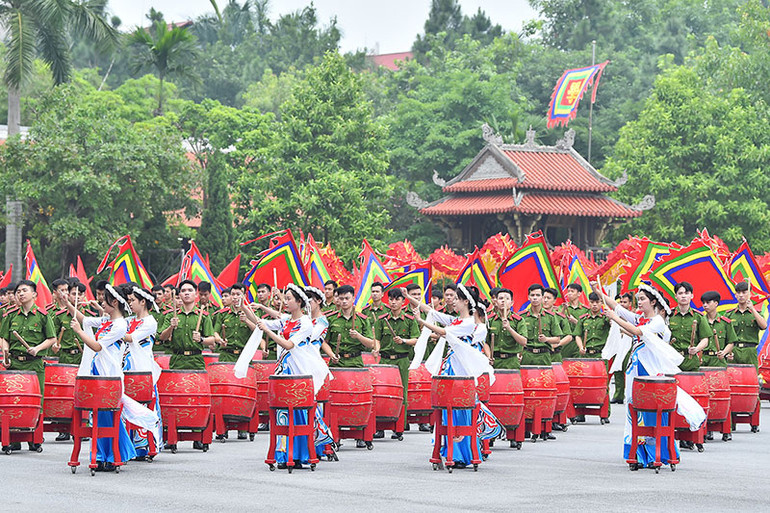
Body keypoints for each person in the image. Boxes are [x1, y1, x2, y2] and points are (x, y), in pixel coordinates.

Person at [595, 282, 705, 470]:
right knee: (634, 411)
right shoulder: (641, 318)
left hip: (651, 373)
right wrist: (598, 291)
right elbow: (618, 308)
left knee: (652, 414)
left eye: (643, 299)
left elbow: (636, 331)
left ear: (654, 302)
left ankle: (656, 454)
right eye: (638, 299)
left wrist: (615, 318)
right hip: (635, 370)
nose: (639, 302)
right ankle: (635, 453)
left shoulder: (657, 322)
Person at [407, 284, 501, 469]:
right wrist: (409, 298)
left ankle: (460, 454)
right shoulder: (457, 320)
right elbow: (432, 312)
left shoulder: (469, 324)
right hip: (451, 369)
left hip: (461, 372)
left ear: (466, 301)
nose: (453, 302)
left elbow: (443, 331)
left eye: (456, 299)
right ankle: (452, 450)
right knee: (448, 412)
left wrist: (421, 321)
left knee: (459, 411)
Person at [256, 284, 333, 468]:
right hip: (285, 368)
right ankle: (283, 454)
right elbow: (268, 322)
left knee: (301, 412)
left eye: (289, 299)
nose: (286, 302)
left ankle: (302, 452)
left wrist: (267, 331)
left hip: (303, 366)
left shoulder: (312, 323)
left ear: (300, 302)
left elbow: (291, 344)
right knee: (283, 413)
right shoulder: (289, 320)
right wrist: (245, 308)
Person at [69, 284, 137, 470]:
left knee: (107, 417)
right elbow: (84, 320)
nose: (101, 303)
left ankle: (112, 455)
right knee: (97, 417)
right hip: (98, 373)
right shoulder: (106, 321)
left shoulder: (120, 325)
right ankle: (102, 455)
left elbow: (97, 346)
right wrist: (66, 302)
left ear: (114, 302)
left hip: (111, 376)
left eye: (104, 301)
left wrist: (78, 332)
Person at [0, 280, 57, 452]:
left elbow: (52, 338)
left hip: (34, 364)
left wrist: (37, 349)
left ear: (34, 294)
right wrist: (5, 354)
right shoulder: (10, 315)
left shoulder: (42, 315)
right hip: (14, 363)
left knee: (35, 401)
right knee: (13, 400)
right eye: (18, 291)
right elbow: (4, 338)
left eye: (24, 290)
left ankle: (35, 437)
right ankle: (13, 437)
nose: (20, 294)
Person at [373, 287, 419, 439]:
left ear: (402, 301)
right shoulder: (382, 320)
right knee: (381, 392)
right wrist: (376, 349)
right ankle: (379, 426)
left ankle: (399, 426)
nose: (393, 302)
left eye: (397, 299)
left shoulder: (409, 321)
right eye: (391, 299)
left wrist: (403, 340)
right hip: (385, 360)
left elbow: (415, 339)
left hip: (402, 359)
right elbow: (377, 339)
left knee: (402, 392)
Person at [123, 286, 163, 459]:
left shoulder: (150, 322)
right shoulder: (129, 320)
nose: (130, 303)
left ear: (143, 301)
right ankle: (129, 447)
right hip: (127, 369)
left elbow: (131, 338)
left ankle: (145, 448)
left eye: (132, 300)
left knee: (145, 406)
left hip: (143, 371)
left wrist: (115, 331)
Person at [158, 280, 216, 371]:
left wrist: (201, 339)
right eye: (183, 291)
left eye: (190, 290)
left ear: (196, 294)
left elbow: (212, 340)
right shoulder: (171, 315)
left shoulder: (203, 315)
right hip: (177, 360)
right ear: (180, 295)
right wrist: (171, 327)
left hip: (196, 361)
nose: (187, 293)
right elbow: (162, 337)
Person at [324, 285, 376, 369]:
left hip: (355, 363)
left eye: (347, 298)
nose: (344, 301)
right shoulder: (330, 318)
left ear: (353, 299)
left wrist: (358, 336)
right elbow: (324, 342)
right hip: (336, 363)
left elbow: (372, 344)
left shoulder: (362, 319)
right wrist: (332, 355)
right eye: (341, 299)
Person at [668, 282, 713, 371]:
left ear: (692, 296)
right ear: (675, 296)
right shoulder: (668, 315)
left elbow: (705, 339)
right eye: (680, 293)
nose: (683, 296)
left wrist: (696, 349)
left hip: (691, 360)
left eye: (686, 293)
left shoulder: (698, 317)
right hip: (671, 360)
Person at [726, 281, 767, 368]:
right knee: (733, 378)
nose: (741, 295)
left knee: (751, 379)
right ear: (735, 295)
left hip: (750, 351)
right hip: (733, 351)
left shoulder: (756, 313)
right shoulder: (729, 314)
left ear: (749, 294)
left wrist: (752, 308)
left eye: (744, 292)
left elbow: (764, 326)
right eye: (738, 292)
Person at [520, 284, 562, 366]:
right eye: (532, 295)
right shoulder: (522, 317)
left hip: (544, 355)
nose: (535, 298)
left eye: (538, 295)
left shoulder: (550, 317)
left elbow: (557, 339)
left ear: (542, 298)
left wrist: (546, 339)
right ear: (528, 297)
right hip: (527, 354)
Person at [487, 288, 527, 369]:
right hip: (495, 362)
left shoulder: (518, 320)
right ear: (496, 302)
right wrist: (489, 356)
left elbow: (523, 342)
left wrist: (509, 328)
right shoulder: (489, 320)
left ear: (512, 303)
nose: (503, 301)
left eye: (507, 299)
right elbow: (484, 341)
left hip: (511, 362)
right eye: (500, 298)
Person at [609, 293, 635, 404]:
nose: (622, 304)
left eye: (625, 302)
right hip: (618, 346)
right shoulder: (615, 316)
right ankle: (618, 395)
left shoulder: (633, 317)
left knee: (628, 371)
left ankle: (631, 395)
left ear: (630, 303)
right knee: (617, 370)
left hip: (629, 347)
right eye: (620, 302)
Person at [700, 291, 737, 368]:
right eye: (703, 303)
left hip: (718, 361)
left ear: (716, 303)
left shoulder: (725, 322)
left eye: (708, 302)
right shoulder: (700, 321)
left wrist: (723, 353)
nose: (705, 305)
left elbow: (731, 342)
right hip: (702, 359)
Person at [574, 293, 612, 358]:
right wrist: (581, 347)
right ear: (589, 303)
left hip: (601, 355)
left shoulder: (605, 318)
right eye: (592, 302)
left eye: (597, 302)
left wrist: (610, 316)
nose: (594, 304)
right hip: (586, 355)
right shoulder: (583, 319)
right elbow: (578, 335)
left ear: (601, 303)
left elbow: (613, 326)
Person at [542, 287, 572, 363]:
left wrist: (558, 344)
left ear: (554, 300)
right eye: (544, 297)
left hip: (554, 355)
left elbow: (569, 336)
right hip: (539, 356)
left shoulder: (560, 317)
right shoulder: (536, 316)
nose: (545, 300)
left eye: (548, 298)